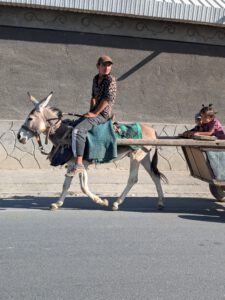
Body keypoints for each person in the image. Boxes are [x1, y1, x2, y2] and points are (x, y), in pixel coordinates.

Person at [67, 55, 117, 176]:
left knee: (78, 130)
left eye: (109, 65)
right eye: (104, 65)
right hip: (95, 112)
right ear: (98, 66)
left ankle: (79, 164)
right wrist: (89, 112)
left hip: (103, 114)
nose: (107, 67)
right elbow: (93, 97)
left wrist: (94, 113)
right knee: (72, 124)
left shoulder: (111, 80)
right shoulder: (95, 79)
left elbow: (106, 100)